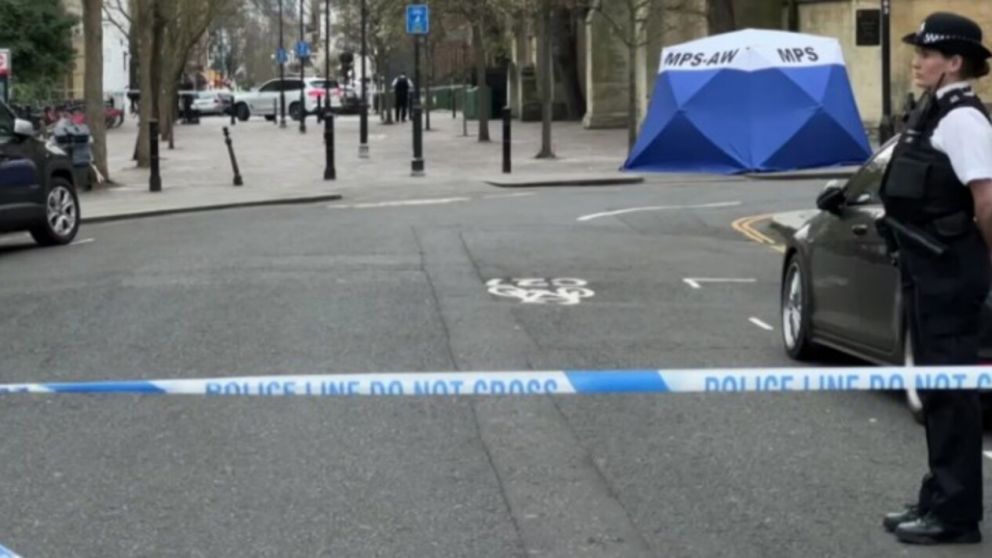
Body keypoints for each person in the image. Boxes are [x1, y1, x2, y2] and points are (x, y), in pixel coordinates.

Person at [879, 12, 992, 546]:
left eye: (928, 53)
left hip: (949, 271)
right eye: (918, 52)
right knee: (935, 390)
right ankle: (939, 495)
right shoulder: (934, 112)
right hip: (928, 268)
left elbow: (987, 200)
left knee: (951, 394)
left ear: (954, 63)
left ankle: (956, 514)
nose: (918, 60)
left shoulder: (964, 120)